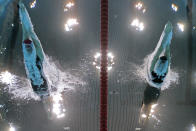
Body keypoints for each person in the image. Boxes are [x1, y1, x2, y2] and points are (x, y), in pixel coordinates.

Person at [18, 1, 48, 96]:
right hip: (35, 59)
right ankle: (21, 8)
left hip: (37, 59)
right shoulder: (28, 55)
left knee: (28, 30)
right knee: (27, 30)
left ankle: (21, 8)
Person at [148, 21, 173, 87]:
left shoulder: (157, 71)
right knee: (164, 47)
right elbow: (156, 60)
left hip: (164, 61)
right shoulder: (155, 70)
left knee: (165, 47)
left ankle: (168, 32)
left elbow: (156, 60)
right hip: (163, 62)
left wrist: (162, 59)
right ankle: (168, 32)